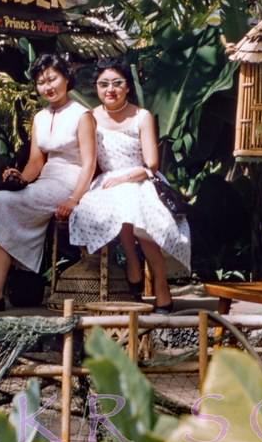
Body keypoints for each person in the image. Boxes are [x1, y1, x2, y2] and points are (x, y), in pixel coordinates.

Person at [0, 54, 96, 312]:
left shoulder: (82, 115)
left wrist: (74, 199)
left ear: (66, 78)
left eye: (52, 79)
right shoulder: (40, 117)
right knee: (4, 214)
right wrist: (20, 178)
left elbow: (90, 163)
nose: (47, 86)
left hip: (71, 180)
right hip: (46, 180)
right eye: (40, 82)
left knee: (0, 202)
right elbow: (36, 160)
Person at [69, 59, 191, 313]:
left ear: (127, 87)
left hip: (141, 177)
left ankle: (160, 283)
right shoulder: (90, 117)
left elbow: (152, 163)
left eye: (117, 83)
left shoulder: (141, 116)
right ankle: (132, 262)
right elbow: (90, 160)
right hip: (107, 182)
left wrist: (125, 178)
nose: (110, 90)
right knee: (116, 205)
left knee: (139, 214)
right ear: (96, 88)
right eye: (103, 85)